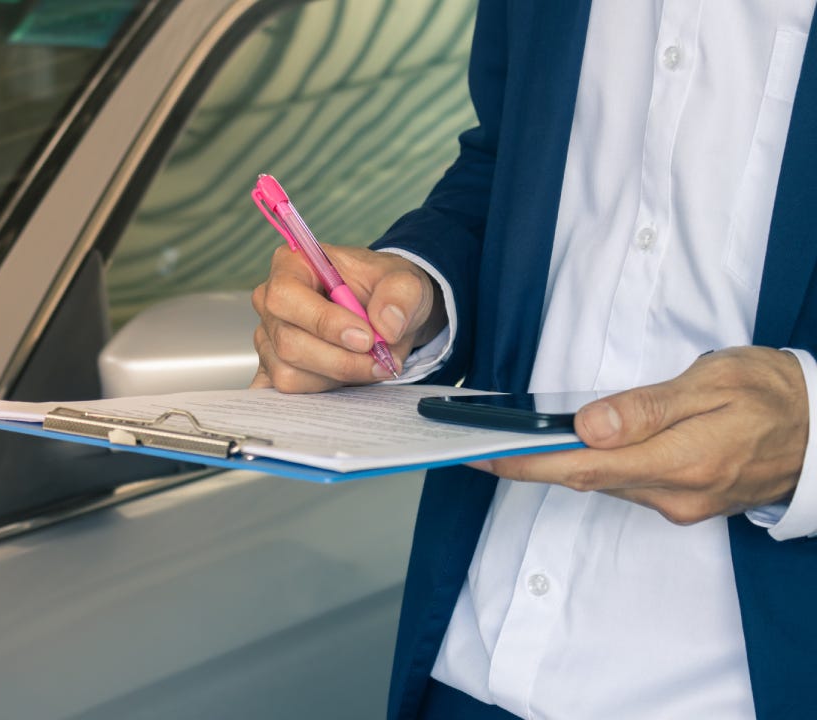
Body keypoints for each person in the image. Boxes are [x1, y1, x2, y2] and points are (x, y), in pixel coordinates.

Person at [250, 1, 817, 718]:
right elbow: (506, 160)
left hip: (754, 683)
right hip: (472, 663)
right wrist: (414, 289)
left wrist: (811, 433)